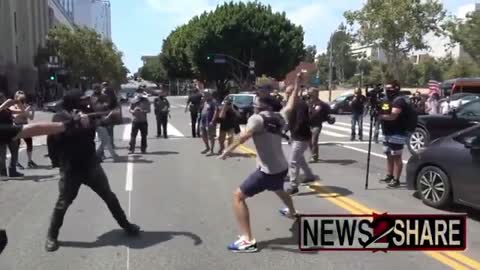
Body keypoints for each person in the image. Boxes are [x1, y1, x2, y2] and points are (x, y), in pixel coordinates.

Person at [45, 89, 140, 252]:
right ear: (72, 102)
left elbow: (109, 118)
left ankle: (126, 225)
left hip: (91, 165)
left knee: (109, 197)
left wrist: (108, 111)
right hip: (71, 169)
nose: (86, 102)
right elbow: (55, 138)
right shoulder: (60, 117)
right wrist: (76, 122)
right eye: (81, 99)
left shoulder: (88, 113)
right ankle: (51, 236)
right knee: (63, 204)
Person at [218, 95, 298, 253]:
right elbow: (290, 105)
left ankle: (247, 240)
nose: (254, 104)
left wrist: (226, 151)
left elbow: (244, 137)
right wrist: (296, 87)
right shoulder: (279, 115)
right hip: (281, 167)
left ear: (265, 106)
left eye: (257, 102)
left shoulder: (256, 119)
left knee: (238, 196)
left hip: (267, 172)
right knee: (279, 189)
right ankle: (292, 212)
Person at [283, 77, 316, 195]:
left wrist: (293, 132)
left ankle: (293, 185)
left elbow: (301, 121)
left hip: (301, 137)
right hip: (297, 136)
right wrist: (286, 129)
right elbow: (291, 121)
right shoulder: (292, 104)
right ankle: (309, 175)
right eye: (286, 93)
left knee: (293, 161)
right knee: (299, 159)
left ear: (294, 93)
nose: (286, 95)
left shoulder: (300, 105)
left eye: (288, 93)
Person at [378, 81, 410, 188]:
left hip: (397, 132)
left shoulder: (399, 100)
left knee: (396, 156)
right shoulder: (388, 100)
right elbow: (385, 111)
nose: (387, 90)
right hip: (387, 131)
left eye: (390, 88)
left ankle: (396, 180)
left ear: (396, 88)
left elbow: (393, 116)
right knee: (388, 154)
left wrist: (380, 116)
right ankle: (390, 175)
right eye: (386, 88)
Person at [91, 84, 120, 161]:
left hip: (104, 119)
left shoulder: (103, 96)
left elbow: (109, 106)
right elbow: (96, 107)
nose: (97, 90)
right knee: (105, 139)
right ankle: (99, 154)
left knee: (106, 139)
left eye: (98, 88)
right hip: (97, 120)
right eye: (95, 88)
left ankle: (110, 155)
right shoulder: (92, 98)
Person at [10, 91, 38, 169]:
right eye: (20, 100)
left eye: (23, 100)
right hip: (17, 127)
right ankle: (16, 162)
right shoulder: (13, 107)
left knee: (29, 143)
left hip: (25, 126)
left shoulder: (25, 106)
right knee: (16, 145)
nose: (22, 102)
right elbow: (15, 117)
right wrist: (24, 111)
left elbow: (31, 118)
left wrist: (33, 110)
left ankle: (29, 161)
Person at [0, 93, 23, 178]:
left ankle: (12, 170)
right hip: (1, 135)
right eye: (2, 98)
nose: (3, 99)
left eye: (4, 98)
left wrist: (19, 102)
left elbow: (21, 112)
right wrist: (5, 104)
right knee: (2, 155)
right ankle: (2, 172)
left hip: (11, 133)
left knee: (15, 152)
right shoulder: (2, 107)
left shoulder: (8, 109)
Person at [307, 87, 329, 163]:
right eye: (309, 92)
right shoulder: (308, 102)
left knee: (314, 141)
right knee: (309, 141)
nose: (309, 93)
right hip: (308, 124)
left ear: (316, 93)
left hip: (317, 124)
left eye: (311, 92)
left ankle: (314, 156)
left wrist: (328, 118)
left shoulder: (321, 104)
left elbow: (325, 113)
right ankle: (313, 154)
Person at [129, 86, 151, 154]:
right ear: (136, 92)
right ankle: (131, 149)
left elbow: (149, 110)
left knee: (144, 136)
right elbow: (130, 109)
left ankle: (143, 149)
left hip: (143, 121)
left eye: (141, 91)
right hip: (135, 121)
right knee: (133, 136)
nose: (140, 93)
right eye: (138, 91)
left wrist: (142, 111)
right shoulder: (133, 100)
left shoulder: (146, 100)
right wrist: (133, 111)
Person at [199, 89, 218, 155]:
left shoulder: (213, 101)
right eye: (204, 94)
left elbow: (216, 111)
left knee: (211, 136)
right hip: (203, 121)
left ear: (209, 94)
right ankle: (207, 147)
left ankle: (212, 151)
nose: (204, 95)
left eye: (206, 94)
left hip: (210, 122)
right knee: (202, 135)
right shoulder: (205, 101)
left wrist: (213, 121)